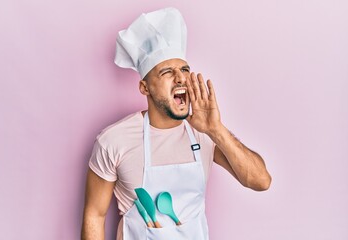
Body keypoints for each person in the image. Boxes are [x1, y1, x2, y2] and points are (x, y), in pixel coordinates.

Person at [81, 7, 271, 240]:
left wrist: (215, 129)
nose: (181, 77)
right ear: (144, 88)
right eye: (167, 72)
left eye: (184, 69)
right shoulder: (114, 140)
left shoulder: (205, 134)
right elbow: (95, 215)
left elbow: (261, 181)